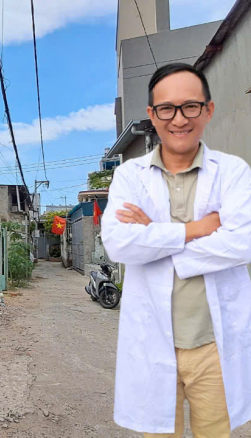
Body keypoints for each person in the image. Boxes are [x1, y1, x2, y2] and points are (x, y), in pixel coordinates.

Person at [102, 62, 251, 437]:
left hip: (215, 346)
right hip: (151, 341)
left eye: (190, 106)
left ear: (208, 110)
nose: (179, 119)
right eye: (167, 108)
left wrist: (155, 236)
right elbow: (119, 243)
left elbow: (242, 242)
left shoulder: (233, 172)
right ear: (152, 115)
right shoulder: (130, 175)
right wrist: (196, 229)